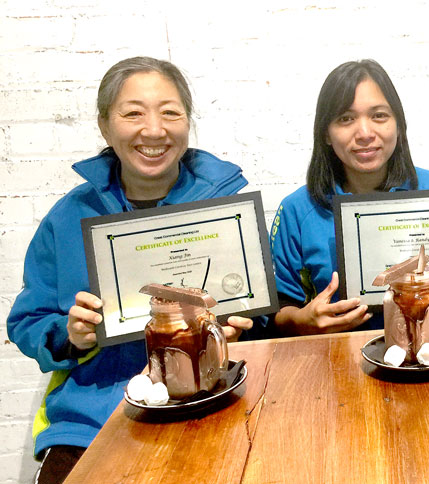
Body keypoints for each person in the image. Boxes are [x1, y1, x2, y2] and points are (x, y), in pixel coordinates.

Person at [6, 57, 255, 484]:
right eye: (133, 112)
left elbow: (255, 308)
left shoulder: (224, 210)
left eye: (170, 112)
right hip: (93, 422)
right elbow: (28, 321)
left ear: (188, 122)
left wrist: (240, 325)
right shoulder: (67, 218)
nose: (154, 130)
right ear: (104, 125)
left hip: (208, 400)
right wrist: (71, 336)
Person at [270, 59, 429, 336]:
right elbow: (278, 311)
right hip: (337, 359)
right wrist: (303, 320)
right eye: (345, 119)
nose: (365, 133)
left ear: (398, 125)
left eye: (379, 116)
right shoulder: (297, 209)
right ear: (326, 133)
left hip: (428, 355)